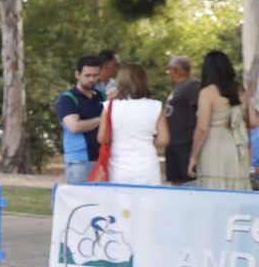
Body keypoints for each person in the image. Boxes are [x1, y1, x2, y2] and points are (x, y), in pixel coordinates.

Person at [189, 50, 252, 190]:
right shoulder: (242, 91)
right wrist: (235, 121)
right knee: (236, 192)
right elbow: (253, 121)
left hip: (214, 146)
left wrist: (193, 157)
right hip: (237, 146)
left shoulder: (207, 92)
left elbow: (202, 128)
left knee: (214, 191)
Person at [98, 63, 167, 186]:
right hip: (147, 162)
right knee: (148, 197)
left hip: (118, 163)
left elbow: (102, 138)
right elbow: (163, 140)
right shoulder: (156, 106)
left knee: (120, 197)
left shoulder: (109, 106)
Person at [56, 55, 105, 184]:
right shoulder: (68, 98)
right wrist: (101, 120)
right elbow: (74, 127)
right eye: (87, 75)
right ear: (77, 74)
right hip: (79, 159)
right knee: (79, 196)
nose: (92, 79)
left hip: (100, 156)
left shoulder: (100, 96)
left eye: (95, 75)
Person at [162, 55, 201, 185]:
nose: (169, 73)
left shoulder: (192, 85)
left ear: (175, 69)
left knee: (189, 182)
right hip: (173, 141)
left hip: (186, 142)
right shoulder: (178, 87)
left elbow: (201, 110)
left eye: (169, 70)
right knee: (175, 179)